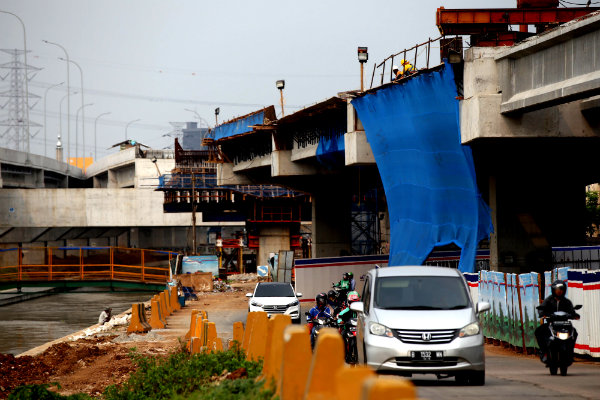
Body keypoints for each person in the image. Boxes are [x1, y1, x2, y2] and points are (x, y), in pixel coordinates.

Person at [535, 280, 580, 362]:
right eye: (557, 289)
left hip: (565, 324)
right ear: (553, 290)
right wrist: (543, 314)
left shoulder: (567, 302)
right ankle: (544, 351)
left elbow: (571, 311)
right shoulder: (548, 300)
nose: (559, 291)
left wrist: (575, 315)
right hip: (551, 324)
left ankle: (570, 352)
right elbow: (542, 308)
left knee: (575, 332)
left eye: (561, 289)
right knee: (539, 331)